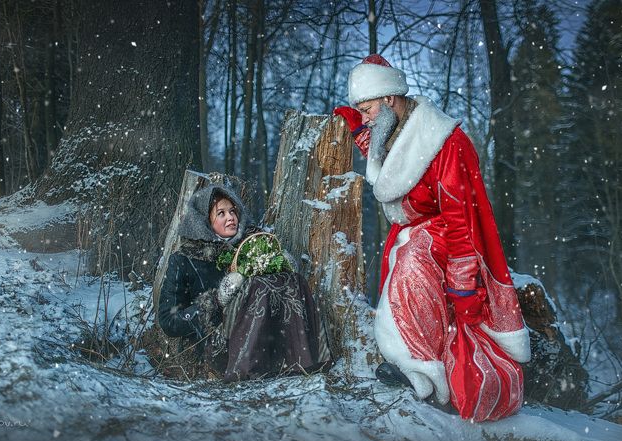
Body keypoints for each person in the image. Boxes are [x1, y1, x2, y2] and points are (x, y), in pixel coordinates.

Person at [333, 54, 531, 421]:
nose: (364, 118)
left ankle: (426, 373)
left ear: (390, 99)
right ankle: (410, 362)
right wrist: (357, 127)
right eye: (359, 111)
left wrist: (463, 284)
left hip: (447, 237)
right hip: (415, 231)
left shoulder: (442, 141)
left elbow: (460, 219)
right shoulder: (392, 124)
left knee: (411, 267)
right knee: (403, 260)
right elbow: (387, 159)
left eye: (367, 108)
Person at [158, 184, 331, 381]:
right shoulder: (185, 259)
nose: (231, 217)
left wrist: (281, 266)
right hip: (219, 346)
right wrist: (216, 301)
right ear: (204, 221)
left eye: (233, 211)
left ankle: (303, 361)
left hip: (268, 339)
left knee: (292, 280)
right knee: (255, 286)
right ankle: (246, 370)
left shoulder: (253, 245)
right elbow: (168, 321)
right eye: (221, 213)